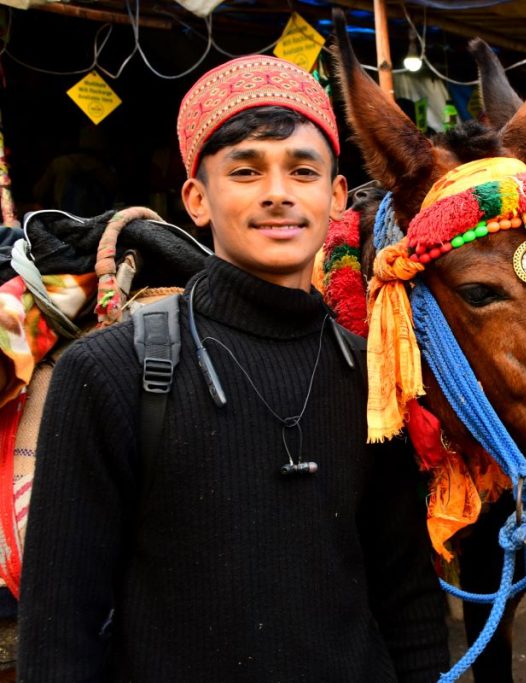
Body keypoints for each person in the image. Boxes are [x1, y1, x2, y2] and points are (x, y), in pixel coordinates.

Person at [17, 55, 448, 681]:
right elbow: (60, 628)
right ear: (196, 198)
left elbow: (407, 599)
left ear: (333, 196)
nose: (278, 193)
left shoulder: (373, 377)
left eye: (302, 171)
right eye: (245, 171)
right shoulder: (110, 373)